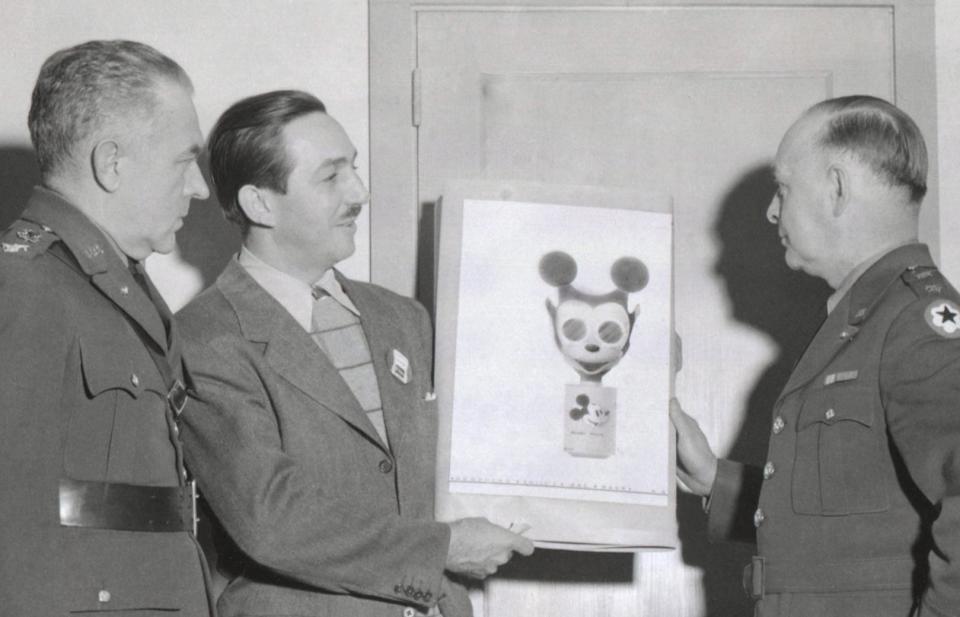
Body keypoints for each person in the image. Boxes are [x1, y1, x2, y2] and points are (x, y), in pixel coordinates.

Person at [176, 90, 533, 617]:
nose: (360, 191)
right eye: (331, 176)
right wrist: (443, 549)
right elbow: (271, 519)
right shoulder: (204, 336)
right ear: (260, 203)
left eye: (355, 169)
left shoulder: (402, 318)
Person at [672, 95, 960, 617]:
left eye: (783, 187)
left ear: (836, 189)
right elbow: (845, 520)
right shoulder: (861, 323)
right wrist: (716, 478)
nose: (772, 209)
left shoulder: (916, 327)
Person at [0, 40, 212, 615]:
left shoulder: (113, 283)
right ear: (112, 163)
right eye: (183, 160)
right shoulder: (25, 285)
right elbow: (10, 528)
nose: (199, 186)